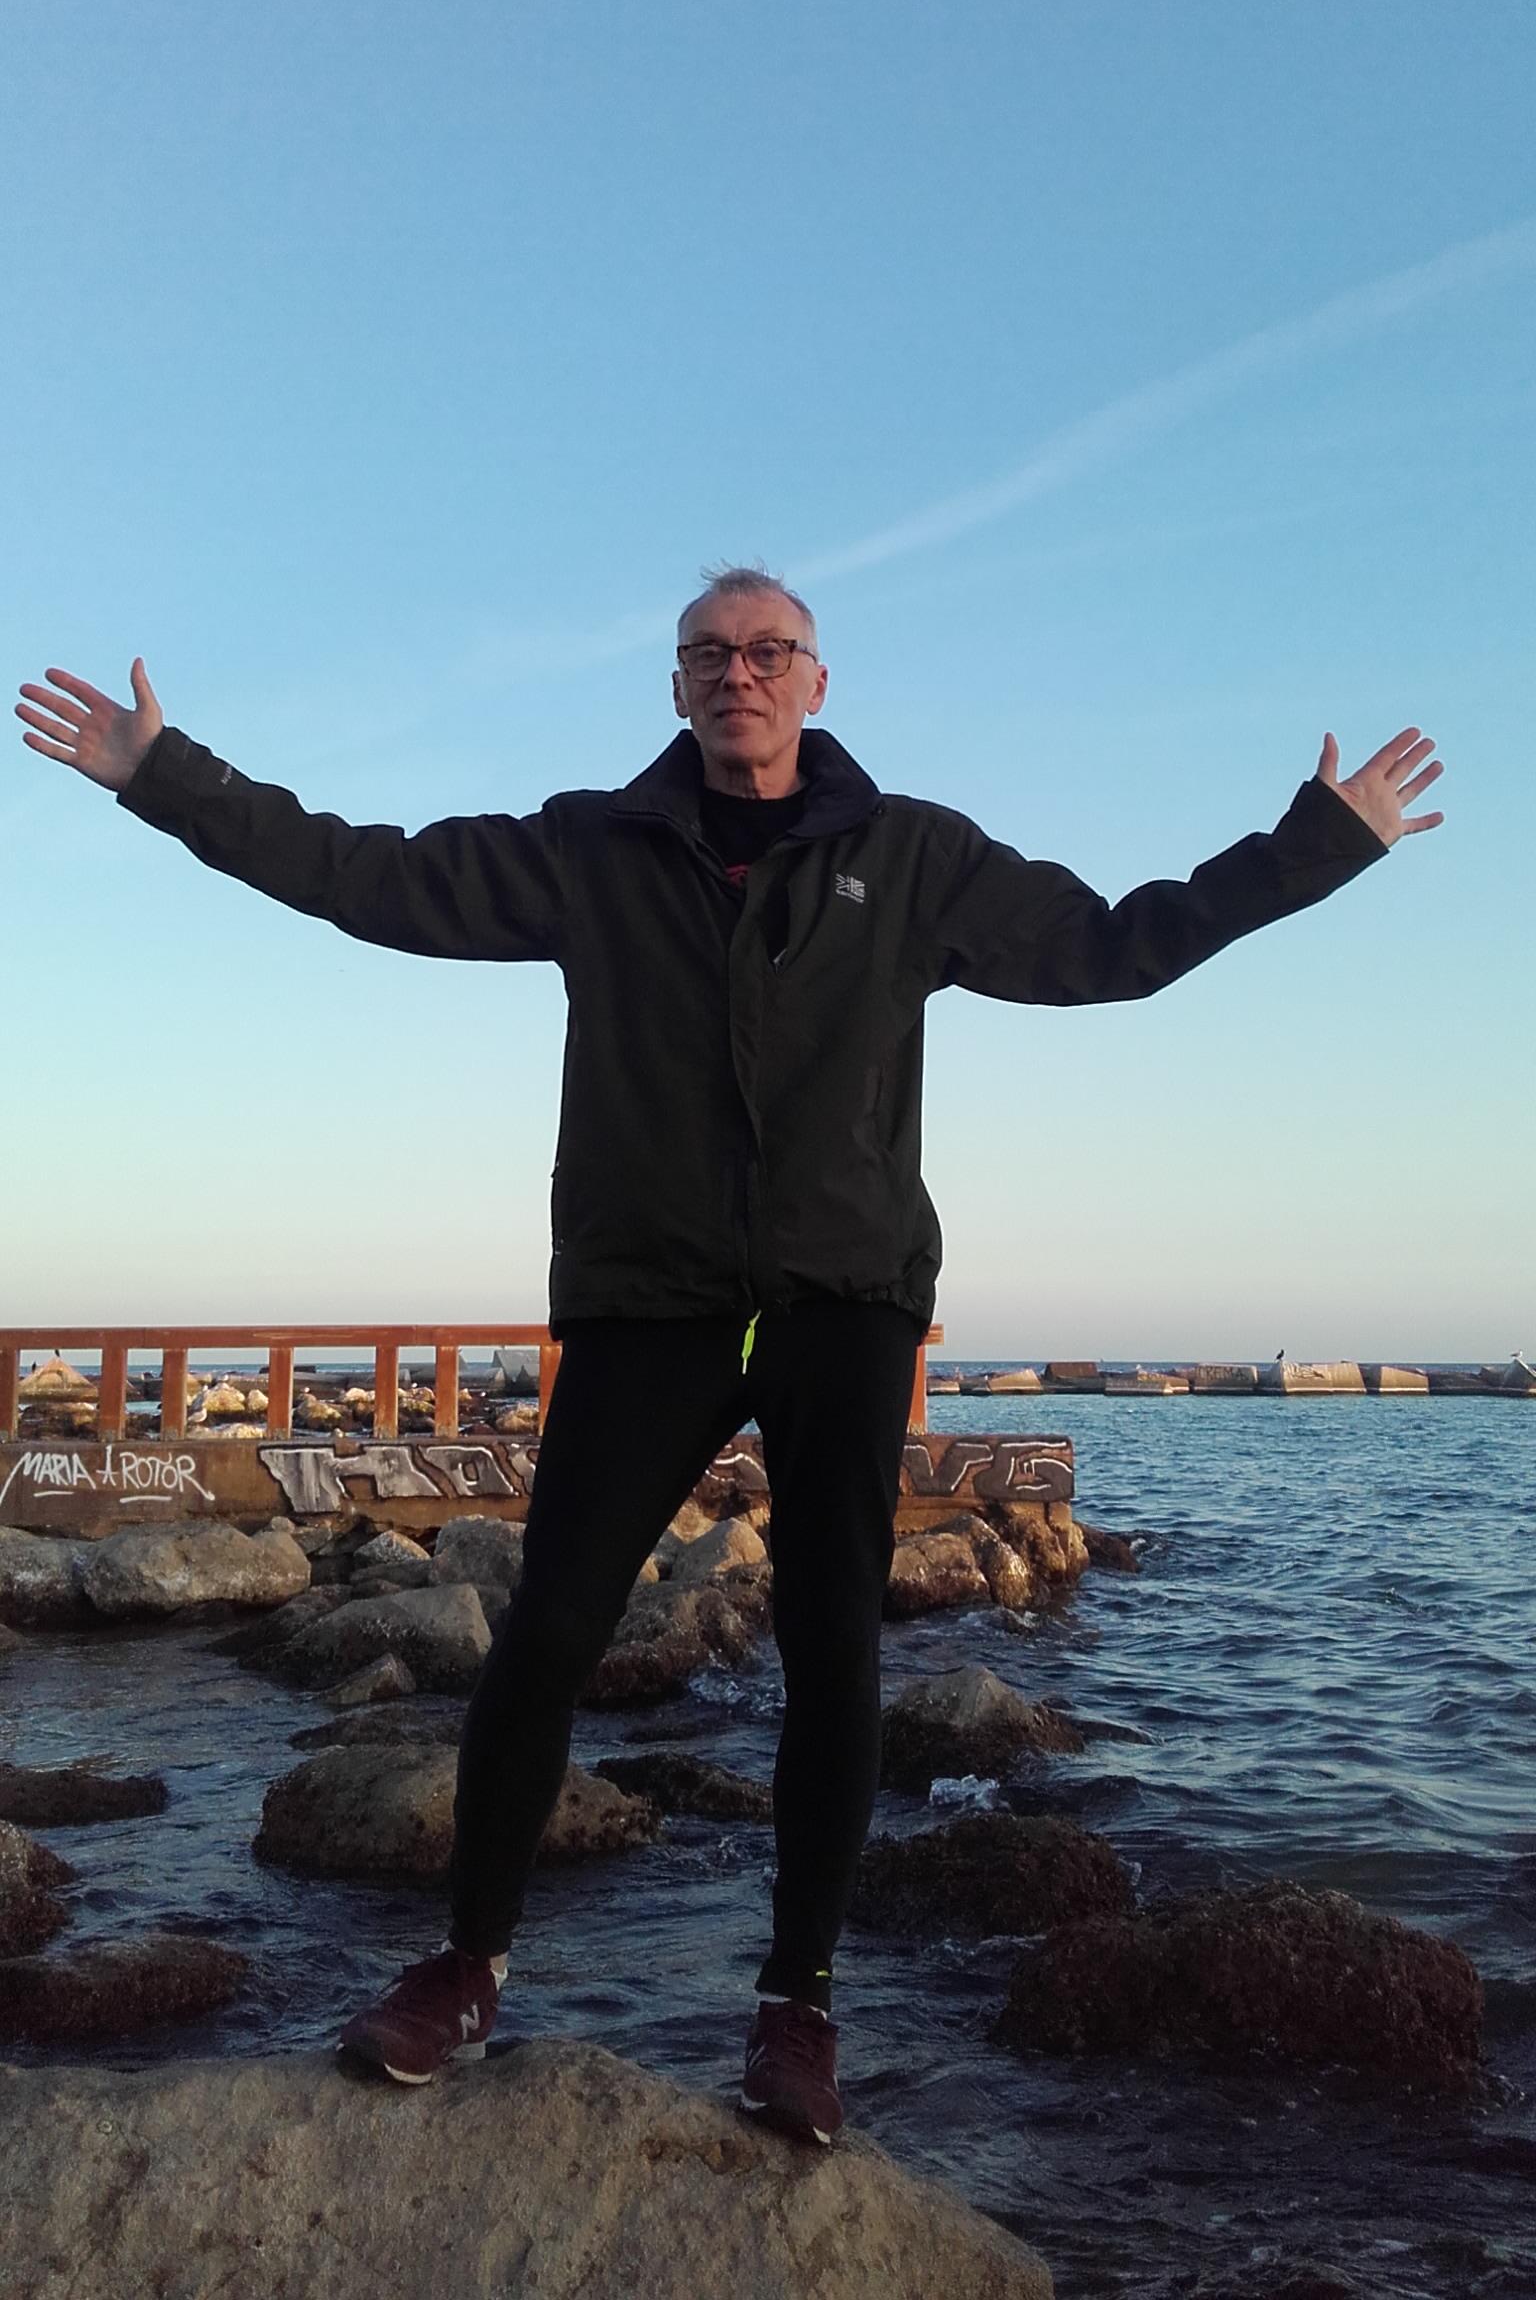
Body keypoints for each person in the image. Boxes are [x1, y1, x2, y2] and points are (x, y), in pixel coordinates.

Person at [16, 567, 1444, 2142]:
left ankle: (798, 2005)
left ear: (816, 683)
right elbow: (367, 876)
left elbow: (1121, 944)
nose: (738, 674)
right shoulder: (591, 849)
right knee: (549, 1630)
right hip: (651, 1303)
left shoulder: (914, 858)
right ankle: (467, 1970)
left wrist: (1318, 846)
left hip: (846, 1300)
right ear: (680, 686)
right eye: (709, 654)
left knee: (834, 1645)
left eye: (768, 652)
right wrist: (166, 775)